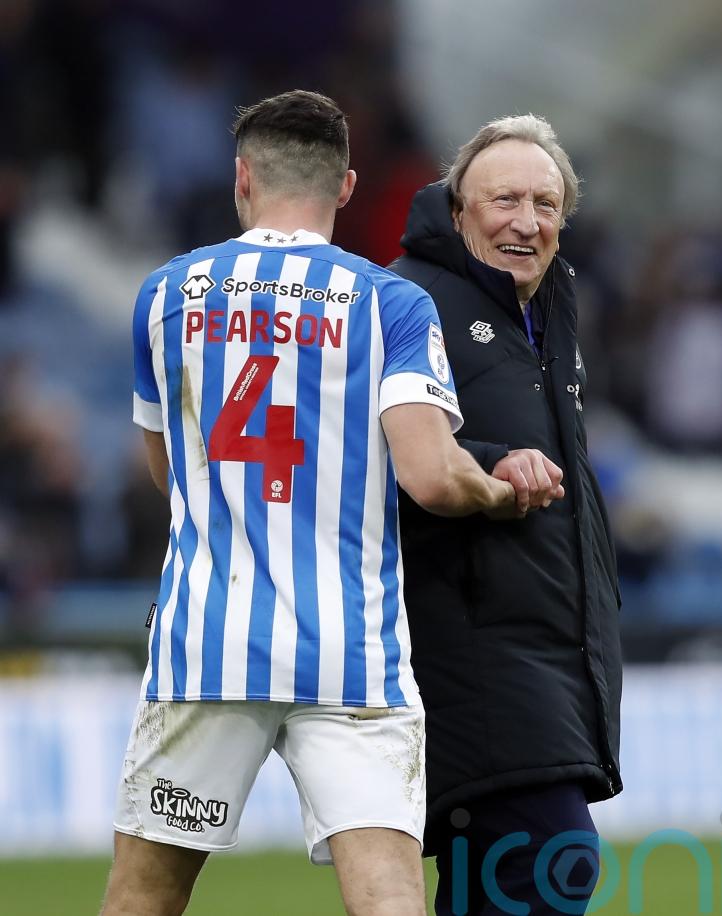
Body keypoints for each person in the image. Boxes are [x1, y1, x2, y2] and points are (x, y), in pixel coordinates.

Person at [101, 90, 519, 916]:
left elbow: (168, 473)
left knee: (143, 897)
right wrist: (499, 491)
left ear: (241, 178)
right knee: (386, 899)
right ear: (349, 186)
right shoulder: (390, 303)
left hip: (207, 647)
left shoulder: (166, 293)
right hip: (347, 654)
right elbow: (431, 477)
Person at [390, 115, 623, 915]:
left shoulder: (552, 302)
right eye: (507, 200)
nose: (529, 222)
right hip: (468, 637)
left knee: (493, 877)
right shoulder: (407, 301)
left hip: (547, 636)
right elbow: (365, 459)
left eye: (548, 204)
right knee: (552, 860)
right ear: (458, 212)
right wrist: (489, 461)